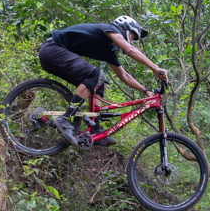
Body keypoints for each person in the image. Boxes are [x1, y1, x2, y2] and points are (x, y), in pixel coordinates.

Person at [39, 15, 167, 147]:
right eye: (132, 37)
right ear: (124, 28)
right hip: (52, 49)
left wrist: (145, 91)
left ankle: (95, 129)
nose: (132, 42)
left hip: (55, 55)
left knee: (101, 82)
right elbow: (129, 49)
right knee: (96, 74)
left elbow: (125, 76)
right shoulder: (109, 29)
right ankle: (65, 120)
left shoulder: (108, 50)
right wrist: (155, 68)